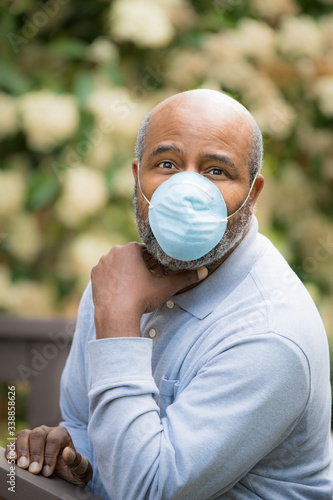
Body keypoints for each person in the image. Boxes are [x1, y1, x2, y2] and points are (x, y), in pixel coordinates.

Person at [7, 89, 333, 499]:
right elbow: (85, 424)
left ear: (252, 195)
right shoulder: (116, 284)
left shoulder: (270, 334)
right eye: (166, 164)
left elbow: (148, 490)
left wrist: (121, 323)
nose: (187, 190)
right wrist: (79, 456)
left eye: (216, 171)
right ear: (136, 176)